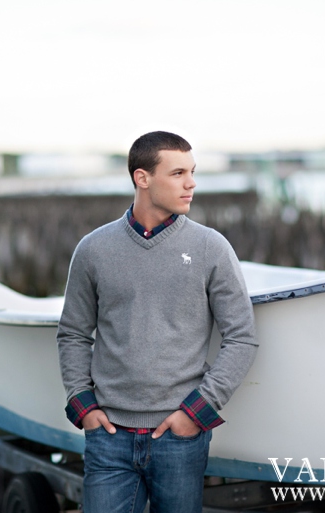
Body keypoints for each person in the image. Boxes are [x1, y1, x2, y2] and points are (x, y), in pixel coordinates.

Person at [57, 131, 258, 513]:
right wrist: (83, 405)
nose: (191, 183)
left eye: (192, 172)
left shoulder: (210, 247)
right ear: (142, 178)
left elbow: (242, 338)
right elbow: (73, 333)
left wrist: (196, 412)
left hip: (179, 437)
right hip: (108, 436)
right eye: (178, 172)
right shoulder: (94, 249)